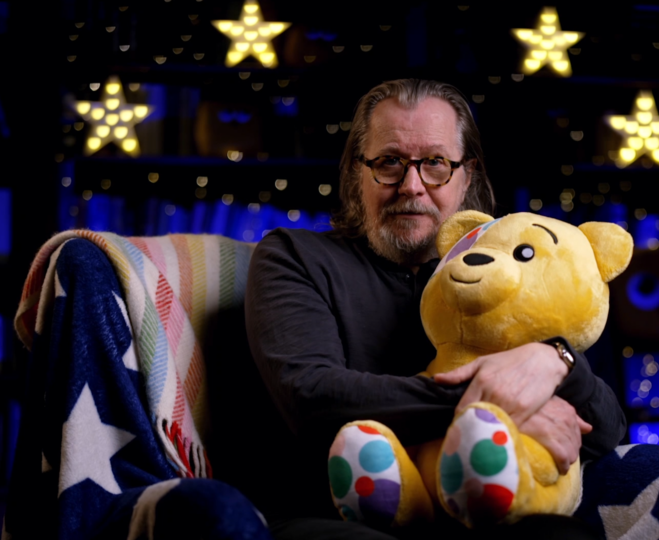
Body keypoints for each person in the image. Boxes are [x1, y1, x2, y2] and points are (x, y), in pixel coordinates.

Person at [244, 79, 626, 540]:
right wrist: (503, 405)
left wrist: (557, 360)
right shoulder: (293, 256)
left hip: (481, 504)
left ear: (467, 177)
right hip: (330, 513)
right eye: (388, 162)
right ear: (354, 174)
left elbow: (606, 432)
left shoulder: (503, 273)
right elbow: (312, 399)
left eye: (436, 164)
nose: (412, 186)